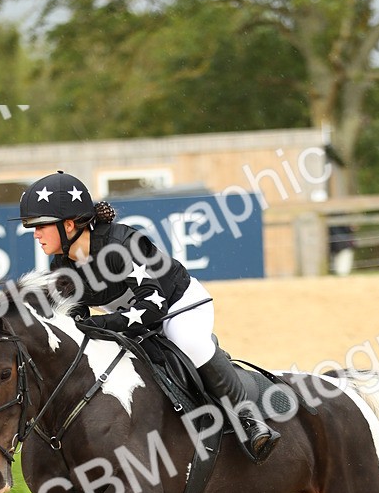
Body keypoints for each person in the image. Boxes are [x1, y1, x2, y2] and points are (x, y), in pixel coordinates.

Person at [18, 170, 277, 462]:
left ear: (68, 224)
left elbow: (152, 307)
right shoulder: (61, 267)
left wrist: (98, 324)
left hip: (179, 305)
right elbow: (77, 316)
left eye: (41, 226)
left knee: (188, 342)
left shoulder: (122, 244)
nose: (36, 234)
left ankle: (250, 420)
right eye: (33, 227)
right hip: (130, 318)